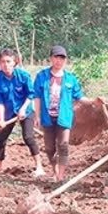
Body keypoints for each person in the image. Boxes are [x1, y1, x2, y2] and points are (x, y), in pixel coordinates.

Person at [33, 45, 97, 182]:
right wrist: (37, 116)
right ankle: (54, 170)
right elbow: (37, 97)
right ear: (51, 58)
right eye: (56, 57)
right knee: (49, 148)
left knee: (63, 145)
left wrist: (93, 101)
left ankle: (60, 176)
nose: (58, 61)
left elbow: (79, 97)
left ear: (65, 60)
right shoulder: (42, 77)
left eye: (62, 58)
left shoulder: (70, 79)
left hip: (64, 117)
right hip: (47, 117)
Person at [0, 48, 44, 178]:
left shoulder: (23, 76)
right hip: (8, 112)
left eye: (8, 61)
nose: (5, 65)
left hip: (26, 109)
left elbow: (30, 94)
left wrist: (23, 109)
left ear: (15, 62)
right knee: (0, 139)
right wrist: (1, 119)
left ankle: (40, 167)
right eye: (2, 62)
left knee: (28, 137)